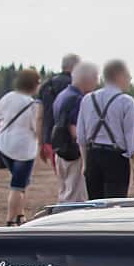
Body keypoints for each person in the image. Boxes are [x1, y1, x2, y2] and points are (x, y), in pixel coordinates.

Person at [75, 59, 134, 200]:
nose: (129, 79)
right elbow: (132, 136)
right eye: (127, 75)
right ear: (118, 76)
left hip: (93, 156)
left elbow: (81, 136)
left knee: (95, 204)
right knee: (115, 206)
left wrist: (85, 163)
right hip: (116, 159)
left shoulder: (88, 99)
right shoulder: (126, 101)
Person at [0, 68, 45, 225]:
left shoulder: (7, 98)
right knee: (17, 186)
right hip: (24, 150)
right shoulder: (32, 105)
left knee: (20, 182)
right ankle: (10, 220)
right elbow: (36, 128)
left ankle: (20, 215)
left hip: (4, 146)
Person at [50, 60, 98, 203]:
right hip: (73, 152)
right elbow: (75, 130)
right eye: (95, 79)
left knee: (65, 191)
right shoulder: (78, 99)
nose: (96, 84)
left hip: (61, 150)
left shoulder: (63, 95)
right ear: (87, 79)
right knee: (75, 196)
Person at [36, 53, 78, 172]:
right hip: (72, 143)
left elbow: (39, 117)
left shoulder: (46, 85)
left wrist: (40, 143)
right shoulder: (78, 86)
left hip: (50, 140)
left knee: (62, 181)